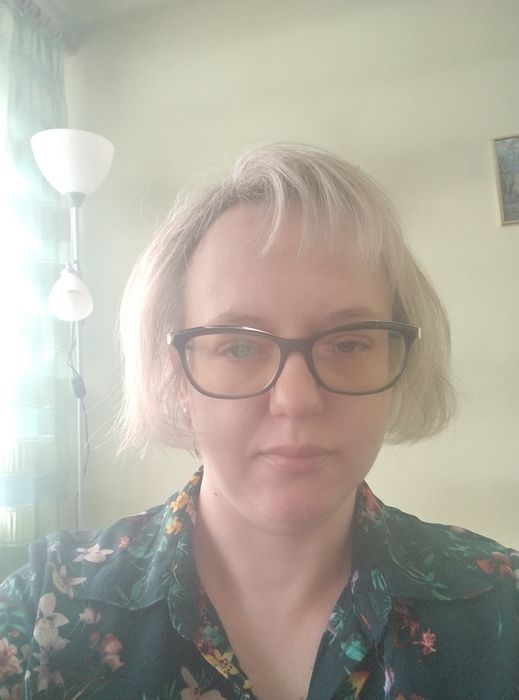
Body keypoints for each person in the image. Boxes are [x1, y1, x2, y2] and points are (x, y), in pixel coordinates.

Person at [0, 144, 518, 699]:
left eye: (348, 342)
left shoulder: (499, 605)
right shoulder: (43, 612)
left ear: (396, 360)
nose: (295, 400)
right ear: (178, 376)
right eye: (240, 348)